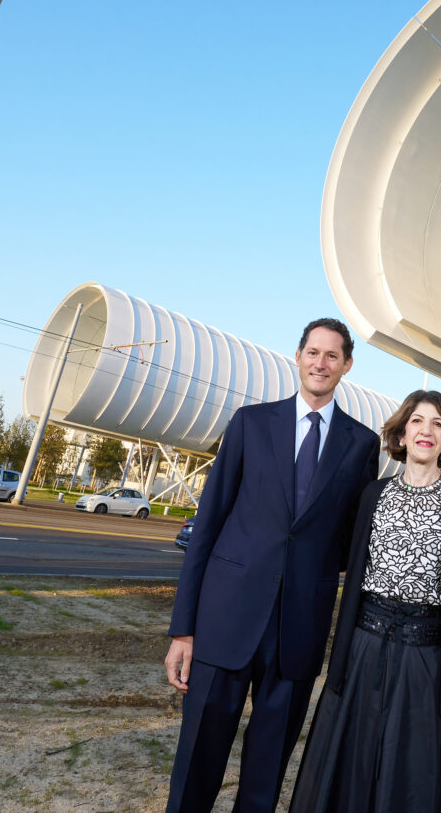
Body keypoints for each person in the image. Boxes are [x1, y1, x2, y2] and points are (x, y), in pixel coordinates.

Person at [163, 318, 380, 813]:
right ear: (298, 357)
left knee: (265, 777)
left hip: (298, 631)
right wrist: (184, 629)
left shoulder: (361, 445)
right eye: (313, 352)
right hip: (225, 621)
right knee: (197, 759)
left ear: (346, 365)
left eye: (332, 355)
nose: (320, 363)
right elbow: (208, 524)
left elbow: (353, 539)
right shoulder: (249, 423)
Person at [289, 390, 441, 813]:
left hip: (426, 657)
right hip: (364, 648)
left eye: (437, 424)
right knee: (348, 761)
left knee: (410, 771)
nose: (425, 430)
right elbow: (350, 568)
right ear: (402, 434)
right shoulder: (374, 495)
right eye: (416, 421)